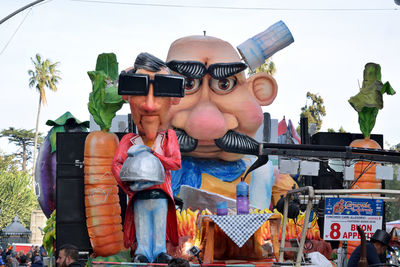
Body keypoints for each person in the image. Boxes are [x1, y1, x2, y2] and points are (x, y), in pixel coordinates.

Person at [165, 35, 278, 209]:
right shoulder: (155, 170)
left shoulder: (257, 174)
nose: (206, 126)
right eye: (188, 84)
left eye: (224, 84)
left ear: (259, 90)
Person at [112, 52, 183, 263]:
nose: (150, 105)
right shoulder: (129, 141)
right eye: (140, 90)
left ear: (173, 99)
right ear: (128, 96)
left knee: (160, 226)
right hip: (139, 197)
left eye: (160, 91)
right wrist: (127, 185)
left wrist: (155, 156)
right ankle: (142, 251)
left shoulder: (168, 138)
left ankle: (160, 250)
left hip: (161, 196)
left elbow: (176, 163)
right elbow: (116, 165)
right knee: (142, 226)